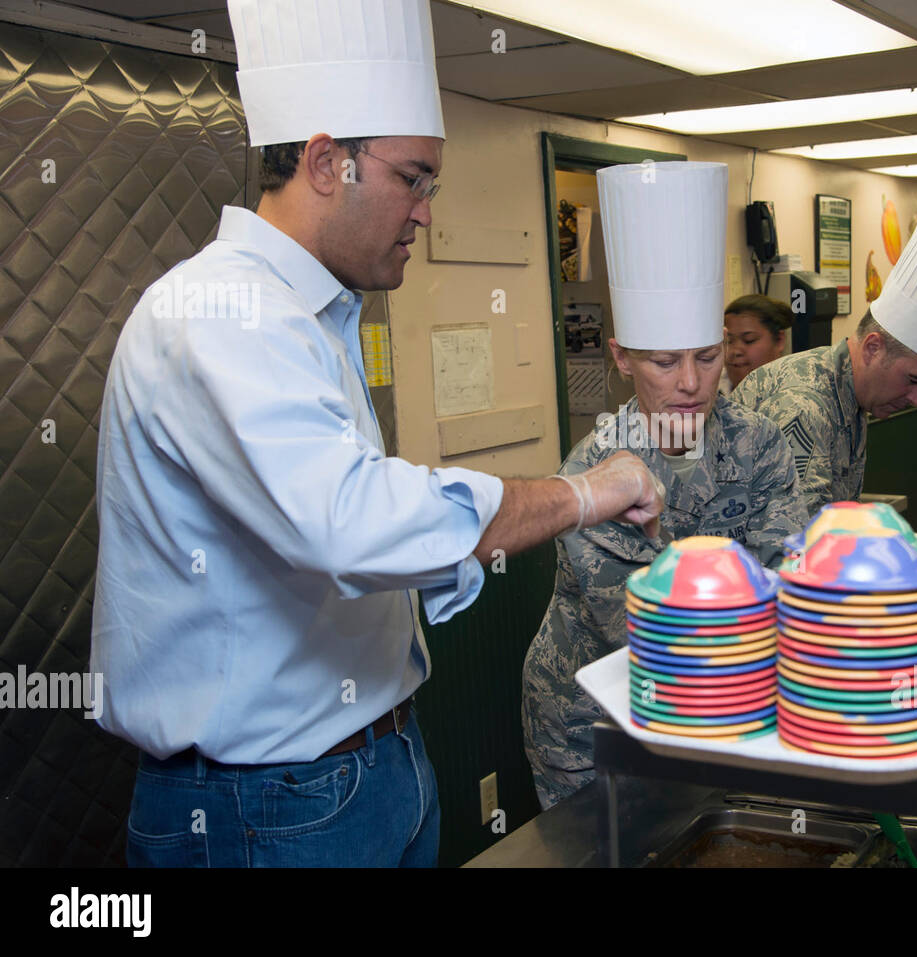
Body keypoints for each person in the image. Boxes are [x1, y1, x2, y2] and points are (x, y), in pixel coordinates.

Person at [90, 0, 662, 868]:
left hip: (369, 765)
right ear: (327, 162)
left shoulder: (314, 316)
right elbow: (350, 523)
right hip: (263, 803)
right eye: (414, 177)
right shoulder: (220, 312)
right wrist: (581, 493)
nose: (426, 211)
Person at [522, 163, 809, 809]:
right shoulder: (593, 472)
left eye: (707, 356)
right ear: (621, 356)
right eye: (662, 361)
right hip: (594, 724)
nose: (690, 382)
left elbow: (785, 569)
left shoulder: (758, 442)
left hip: (727, 707)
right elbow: (648, 632)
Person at [732, 209, 917, 514]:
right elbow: (802, 539)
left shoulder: (852, 393)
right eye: (914, 380)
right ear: (873, 348)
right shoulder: (803, 405)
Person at [723, 293, 792, 390]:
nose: (735, 351)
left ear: (779, 341)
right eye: (728, 341)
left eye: (749, 340)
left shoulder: (796, 394)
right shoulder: (710, 391)